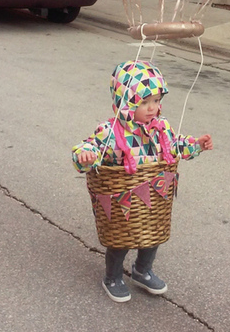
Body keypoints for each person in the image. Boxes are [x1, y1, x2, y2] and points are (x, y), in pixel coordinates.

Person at [72, 59, 213, 303]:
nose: (152, 108)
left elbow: (175, 144)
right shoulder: (110, 131)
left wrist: (195, 145)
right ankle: (113, 276)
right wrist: (86, 155)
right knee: (120, 239)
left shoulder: (161, 127)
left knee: (152, 235)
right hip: (121, 198)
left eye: (156, 101)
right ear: (124, 103)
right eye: (144, 102)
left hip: (155, 194)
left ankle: (142, 270)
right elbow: (89, 146)